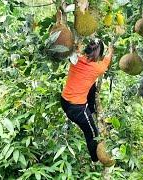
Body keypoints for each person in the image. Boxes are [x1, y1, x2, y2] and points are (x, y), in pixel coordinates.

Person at [60, 38, 115, 167]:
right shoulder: (98, 68)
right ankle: (95, 160)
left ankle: (91, 109)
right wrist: (111, 51)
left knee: (91, 85)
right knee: (93, 133)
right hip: (77, 108)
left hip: (64, 100)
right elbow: (107, 59)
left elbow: (76, 48)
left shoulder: (75, 59)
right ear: (99, 54)